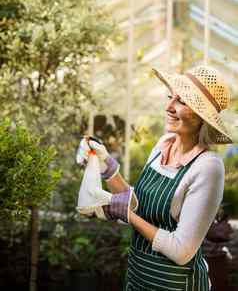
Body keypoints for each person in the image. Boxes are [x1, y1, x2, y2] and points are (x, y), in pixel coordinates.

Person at [79, 65, 233, 291]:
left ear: (202, 117)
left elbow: (181, 251)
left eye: (181, 102)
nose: (169, 107)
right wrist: (107, 167)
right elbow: (139, 204)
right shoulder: (164, 144)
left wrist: (128, 215)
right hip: (138, 278)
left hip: (176, 284)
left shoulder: (208, 166)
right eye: (171, 97)